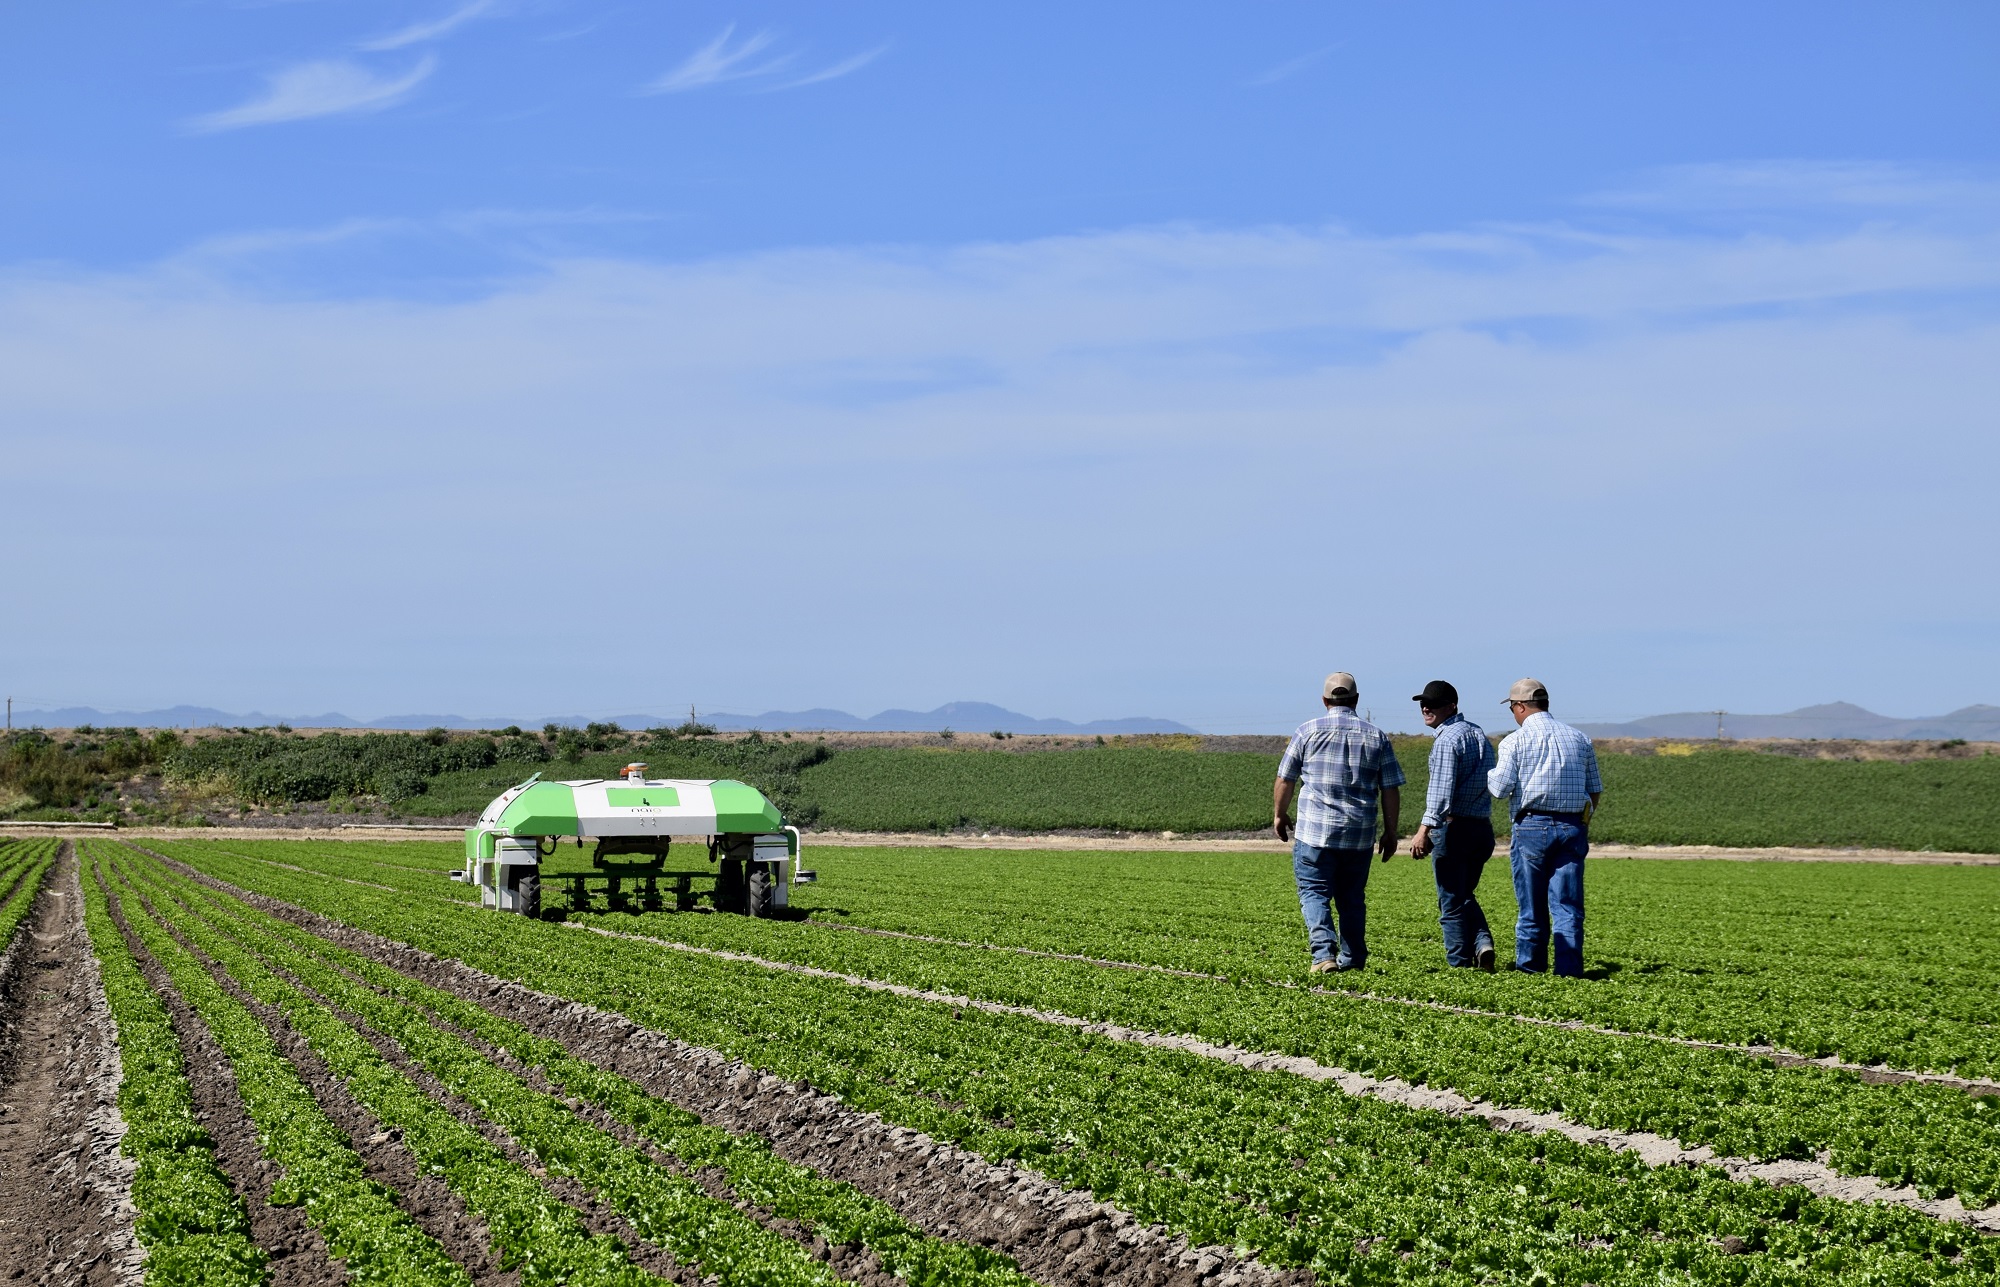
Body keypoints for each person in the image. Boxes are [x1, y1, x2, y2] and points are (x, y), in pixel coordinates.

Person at [1273, 672, 1405, 973]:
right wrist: (1391, 831)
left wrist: (1280, 815)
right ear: (1356, 700)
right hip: (1359, 835)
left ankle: (1323, 955)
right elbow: (1390, 788)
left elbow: (1285, 778)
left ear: (1324, 700)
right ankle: (1354, 959)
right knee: (1352, 898)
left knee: (1314, 891)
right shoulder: (1376, 735)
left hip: (1315, 832)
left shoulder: (1306, 732)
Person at [1488, 678, 1602, 977]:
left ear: (1521, 706)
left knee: (1532, 907)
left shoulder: (1514, 741)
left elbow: (1500, 789)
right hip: (1573, 825)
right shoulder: (1579, 738)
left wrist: (1489, 772)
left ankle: (1530, 971)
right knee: (1568, 906)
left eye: (1512, 707)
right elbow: (1595, 791)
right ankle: (1568, 973)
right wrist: (1581, 822)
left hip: (1532, 827)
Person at [1407, 680, 1498, 971]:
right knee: (1463, 894)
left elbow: (1440, 791)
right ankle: (1482, 943)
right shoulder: (1477, 733)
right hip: (1481, 828)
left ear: (1452, 706)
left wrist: (1424, 830)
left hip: (1454, 827)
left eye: (1432, 704)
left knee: (1451, 901)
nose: (1426, 708)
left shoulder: (1447, 739)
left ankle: (1459, 965)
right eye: (1423, 703)